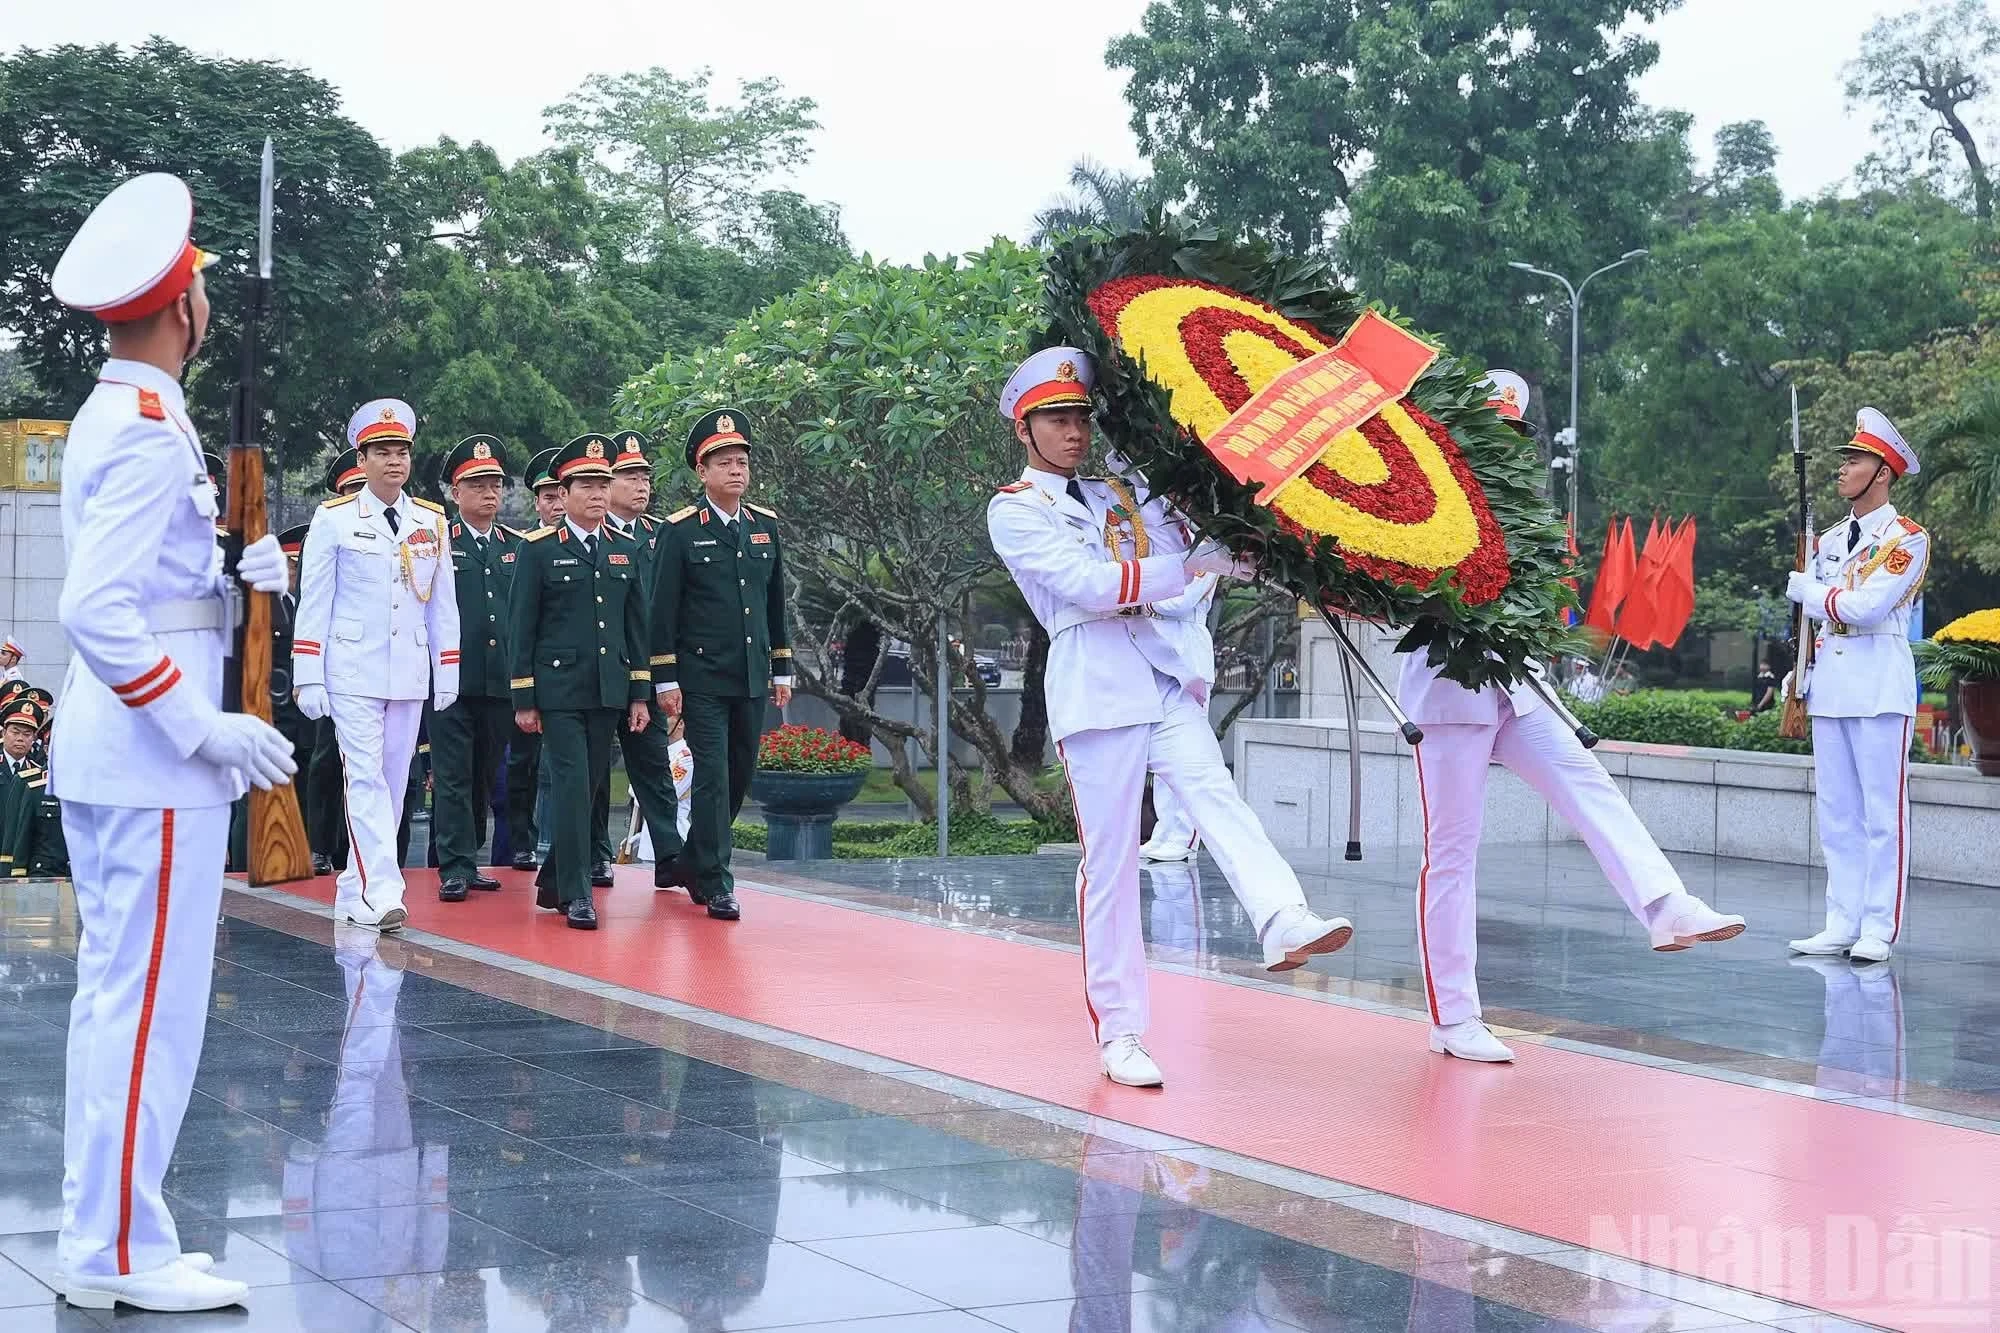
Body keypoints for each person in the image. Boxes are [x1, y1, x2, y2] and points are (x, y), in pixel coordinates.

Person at [47, 171, 296, 1312]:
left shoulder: (132, 413)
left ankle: (122, 1229)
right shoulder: (147, 431)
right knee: (147, 1009)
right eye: (201, 289)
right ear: (184, 308)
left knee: (126, 1003)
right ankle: (113, 1253)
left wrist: (237, 576)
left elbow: (155, 587)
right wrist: (204, 726)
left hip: (134, 759)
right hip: (154, 760)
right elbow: (96, 610)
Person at [986, 347, 1351, 1089]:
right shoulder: (1015, 508)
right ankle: (1120, 1030)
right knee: (1111, 865)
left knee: (1216, 794)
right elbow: (1088, 584)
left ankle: (1281, 916)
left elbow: (1185, 555)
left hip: (1160, 674)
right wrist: (1188, 566)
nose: (1074, 432)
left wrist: (1234, 555)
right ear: (1024, 429)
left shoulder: (1120, 493)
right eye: (1056, 420)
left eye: (1081, 418)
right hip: (1096, 684)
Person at [1396, 372, 1745, 1064]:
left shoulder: (1522, 511)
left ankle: (1664, 905)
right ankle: (1453, 1016)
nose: (1505, 443)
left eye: (1514, 433)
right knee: (1453, 854)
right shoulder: (1425, 497)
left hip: (1516, 686)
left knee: (1589, 781)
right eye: (1493, 430)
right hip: (1448, 695)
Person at [293, 399, 459, 933]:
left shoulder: (430, 520)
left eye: (401, 452)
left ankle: (353, 886)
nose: (394, 461)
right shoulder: (335, 519)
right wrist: (308, 672)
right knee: (363, 777)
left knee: (392, 781)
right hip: (351, 669)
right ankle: (383, 891)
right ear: (361, 460)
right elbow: (315, 600)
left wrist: (447, 669)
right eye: (382, 452)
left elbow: (442, 604)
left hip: (407, 670)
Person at [1784, 408, 1928, 964]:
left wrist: (1811, 593)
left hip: (1878, 685)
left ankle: (1878, 928)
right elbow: (1818, 622)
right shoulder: (1826, 541)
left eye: (1854, 461)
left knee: (1882, 816)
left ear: (1883, 473)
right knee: (1838, 813)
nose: (1842, 470)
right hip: (1831, 684)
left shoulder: (1906, 539)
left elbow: (1867, 607)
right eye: (1844, 460)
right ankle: (1841, 920)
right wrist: (1803, 666)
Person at [650, 409, 794, 922]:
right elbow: (662, 612)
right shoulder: (682, 531)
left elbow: (774, 603)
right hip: (702, 676)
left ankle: (692, 861)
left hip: (750, 674)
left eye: (741, 462)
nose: (736, 470)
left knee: (738, 774)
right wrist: (665, 679)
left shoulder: (763, 526)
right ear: (702, 471)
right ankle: (716, 881)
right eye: (724, 462)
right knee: (711, 775)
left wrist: (781, 667)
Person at [509, 433, 652, 930]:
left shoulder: (625, 548)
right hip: (559, 690)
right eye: (585, 486)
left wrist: (639, 693)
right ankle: (576, 894)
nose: (596, 494)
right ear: (564, 494)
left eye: (602, 485)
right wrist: (524, 697)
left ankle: (554, 879)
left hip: (608, 689)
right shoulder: (539, 550)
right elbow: (522, 628)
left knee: (588, 789)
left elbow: (636, 627)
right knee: (571, 785)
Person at [594, 428, 688, 890]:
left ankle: (670, 854)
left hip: (649, 672)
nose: (641, 485)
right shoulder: (591, 534)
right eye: (629, 476)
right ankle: (595, 853)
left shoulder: (660, 535)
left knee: (653, 765)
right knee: (593, 772)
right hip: (599, 672)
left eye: (645, 476)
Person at [430, 436, 522, 903]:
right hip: (452, 679)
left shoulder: (516, 547)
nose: (489, 493)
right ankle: (454, 865)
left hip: (499, 679)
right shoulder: (437, 543)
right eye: (477, 485)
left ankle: (470, 858)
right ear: (455, 492)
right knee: (453, 775)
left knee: (485, 774)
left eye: (495, 485)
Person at [304, 451, 367, 877]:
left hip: (381, 662)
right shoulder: (328, 528)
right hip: (338, 661)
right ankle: (321, 845)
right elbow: (313, 602)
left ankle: (358, 850)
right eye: (352, 489)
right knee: (328, 758)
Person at [516, 446, 564, 870]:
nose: (556, 505)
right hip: (532, 680)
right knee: (525, 767)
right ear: (538, 503)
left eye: (560, 495)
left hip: (573, 684)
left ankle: (556, 848)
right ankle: (525, 843)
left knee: (562, 771)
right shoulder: (527, 548)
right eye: (548, 497)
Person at [1751, 649, 1783, 715]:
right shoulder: (1759, 677)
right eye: (1762, 664)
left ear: (1769, 666)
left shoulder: (1770, 677)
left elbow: (1769, 692)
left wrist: (1761, 704)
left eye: (1765, 665)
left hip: (1767, 705)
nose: (1763, 666)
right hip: (1757, 703)